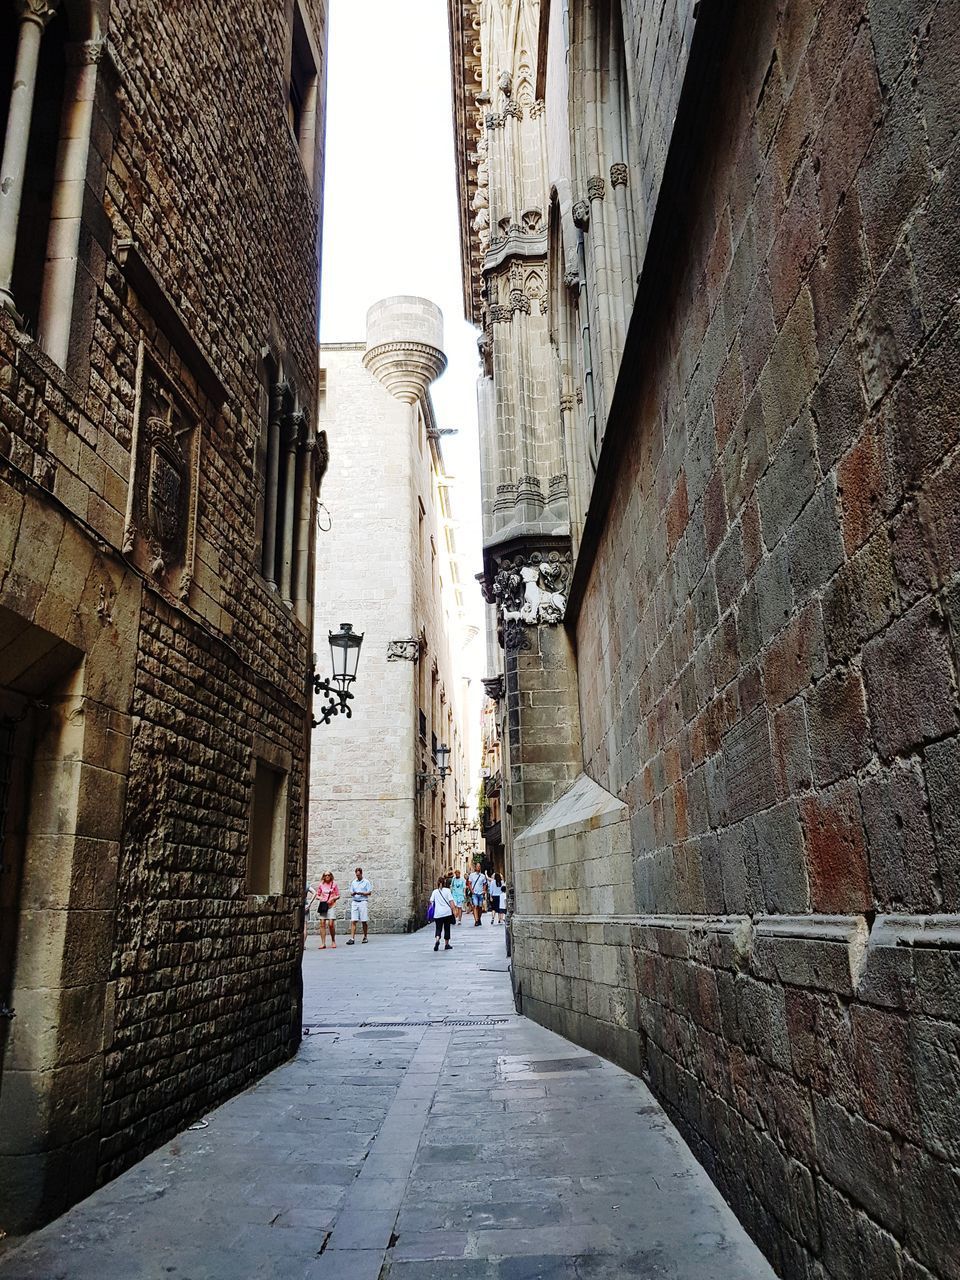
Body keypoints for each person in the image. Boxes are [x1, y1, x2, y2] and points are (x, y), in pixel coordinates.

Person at [346, 867, 372, 944]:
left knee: (364, 920)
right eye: (356, 875)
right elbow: (351, 892)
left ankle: (365, 936)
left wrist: (362, 893)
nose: (358, 876)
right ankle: (352, 938)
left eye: (359, 875)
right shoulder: (354, 882)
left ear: (361, 873)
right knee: (353, 920)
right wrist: (353, 893)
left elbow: (369, 892)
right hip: (355, 901)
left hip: (363, 901)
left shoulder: (366, 882)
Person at [429, 876, 456, 951]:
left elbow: (431, 901)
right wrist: (454, 910)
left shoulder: (435, 892)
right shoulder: (447, 891)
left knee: (438, 928)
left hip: (438, 913)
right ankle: (446, 944)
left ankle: (437, 940)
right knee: (447, 928)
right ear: (444, 883)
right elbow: (451, 901)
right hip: (447, 913)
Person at [315, 871, 340, 948]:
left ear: (331, 876)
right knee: (322, 924)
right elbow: (317, 895)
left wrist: (333, 898)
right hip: (323, 906)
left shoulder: (334, 884)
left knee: (331, 924)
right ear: (323, 876)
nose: (327, 876)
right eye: (326, 875)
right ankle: (323, 943)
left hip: (331, 906)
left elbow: (338, 895)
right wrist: (321, 898)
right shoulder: (321, 885)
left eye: (329, 875)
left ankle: (333, 941)